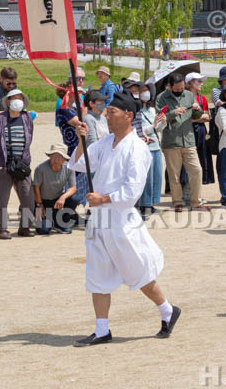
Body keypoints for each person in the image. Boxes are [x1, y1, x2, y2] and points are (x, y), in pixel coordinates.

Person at [68, 94, 180, 346]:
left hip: (121, 220)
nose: (107, 115)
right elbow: (77, 164)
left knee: (138, 273)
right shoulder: (106, 142)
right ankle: (101, 330)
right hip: (98, 220)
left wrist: (103, 198)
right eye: (107, 112)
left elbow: (132, 192)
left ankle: (167, 310)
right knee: (97, 275)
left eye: (113, 112)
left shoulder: (137, 148)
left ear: (129, 115)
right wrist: (81, 140)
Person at [0, 89, 37, 240]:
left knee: (28, 196)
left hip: (22, 163)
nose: (17, 101)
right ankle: (1, 229)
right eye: (14, 98)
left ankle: (25, 226)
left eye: (20, 98)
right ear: (7, 101)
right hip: (4, 164)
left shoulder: (27, 117)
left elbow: (30, 136)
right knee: (2, 198)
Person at [157, 71, 207, 212]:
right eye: (177, 89)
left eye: (182, 88)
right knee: (174, 174)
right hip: (171, 141)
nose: (180, 91)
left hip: (189, 140)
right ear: (170, 87)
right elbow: (159, 117)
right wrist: (173, 113)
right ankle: (177, 201)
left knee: (197, 170)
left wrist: (197, 109)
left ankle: (196, 202)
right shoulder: (162, 98)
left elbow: (197, 115)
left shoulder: (190, 95)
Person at [34, 143, 79, 234]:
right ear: (49, 156)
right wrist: (39, 205)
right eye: (53, 156)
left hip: (58, 201)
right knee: (43, 230)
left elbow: (73, 188)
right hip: (42, 201)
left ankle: (60, 223)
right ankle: (49, 220)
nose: (55, 159)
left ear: (64, 159)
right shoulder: (40, 168)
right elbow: (36, 188)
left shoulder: (69, 168)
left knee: (75, 199)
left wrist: (63, 197)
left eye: (59, 156)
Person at [138, 83, 164, 219]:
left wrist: (161, 123)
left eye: (147, 91)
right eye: (142, 91)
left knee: (156, 177)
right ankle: (145, 205)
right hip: (145, 146)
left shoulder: (152, 109)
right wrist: (153, 126)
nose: (145, 94)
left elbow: (157, 129)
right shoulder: (137, 111)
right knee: (147, 178)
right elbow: (140, 130)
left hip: (156, 146)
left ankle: (152, 203)